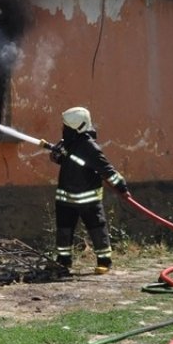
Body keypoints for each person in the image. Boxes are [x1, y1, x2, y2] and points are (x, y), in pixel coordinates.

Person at [49, 106, 129, 275]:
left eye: (66, 126)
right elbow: (62, 159)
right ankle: (63, 261)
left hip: (88, 200)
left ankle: (104, 261)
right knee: (64, 230)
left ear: (77, 128)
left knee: (97, 229)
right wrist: (56, 154)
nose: (63, 129)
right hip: (65, 198)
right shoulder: (68, 143)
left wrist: (121, 187)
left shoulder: (90, 147)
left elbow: (107, 170)